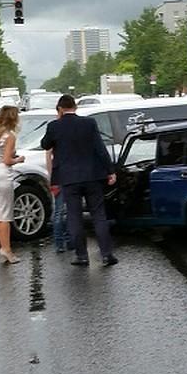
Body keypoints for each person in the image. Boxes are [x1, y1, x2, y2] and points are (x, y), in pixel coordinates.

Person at [40, 94, 118, 266]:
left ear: (60, 109)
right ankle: (106, 254)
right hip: (92, 176)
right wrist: (110, 170)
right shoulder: (89, 123)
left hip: (69, 179)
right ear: (75, 107)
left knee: (74, 217)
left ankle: (81, 256)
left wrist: (57, 123)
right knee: (98, 215)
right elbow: (100, 148)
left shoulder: (54, 126)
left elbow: (45, 144)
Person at [0, 105, 26, 264]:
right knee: (6, 215)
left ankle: (3, 246)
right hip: (4, 174)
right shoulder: (10, 136)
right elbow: (7, 160)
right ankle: (7, 249)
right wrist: (18, 159)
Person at [45, 147, 71, 253]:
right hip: (67, 175)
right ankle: (67, 241)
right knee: (65, 210)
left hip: (59, 175)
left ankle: (60, 243)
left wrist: (51, 177)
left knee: (60, 211)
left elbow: (48, 154)